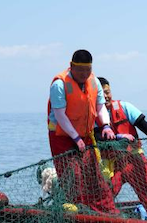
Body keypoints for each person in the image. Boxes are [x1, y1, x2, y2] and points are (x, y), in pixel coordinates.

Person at [96, 77, 147, 222]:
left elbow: (142, 123)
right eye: (101, 94)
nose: (106, 96)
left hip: (134, 160)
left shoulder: (124, 106)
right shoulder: (92, 114)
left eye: (107, 92)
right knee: (104, 195)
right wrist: (119, 136)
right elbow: (96, 135)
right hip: (110, 164)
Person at [47, 49, 119, 214]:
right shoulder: (59, 84)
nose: (84, 74)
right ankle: (79, 210)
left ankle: (105, 209)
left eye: (87, 70)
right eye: (80, 70)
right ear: (71, 66)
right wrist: (75, 137)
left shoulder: (94, 81)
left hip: (85, 135)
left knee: (93, 174)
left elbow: (100, 107)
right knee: (74, 174)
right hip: (62, 136)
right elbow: (60, 115)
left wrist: (106, 126)